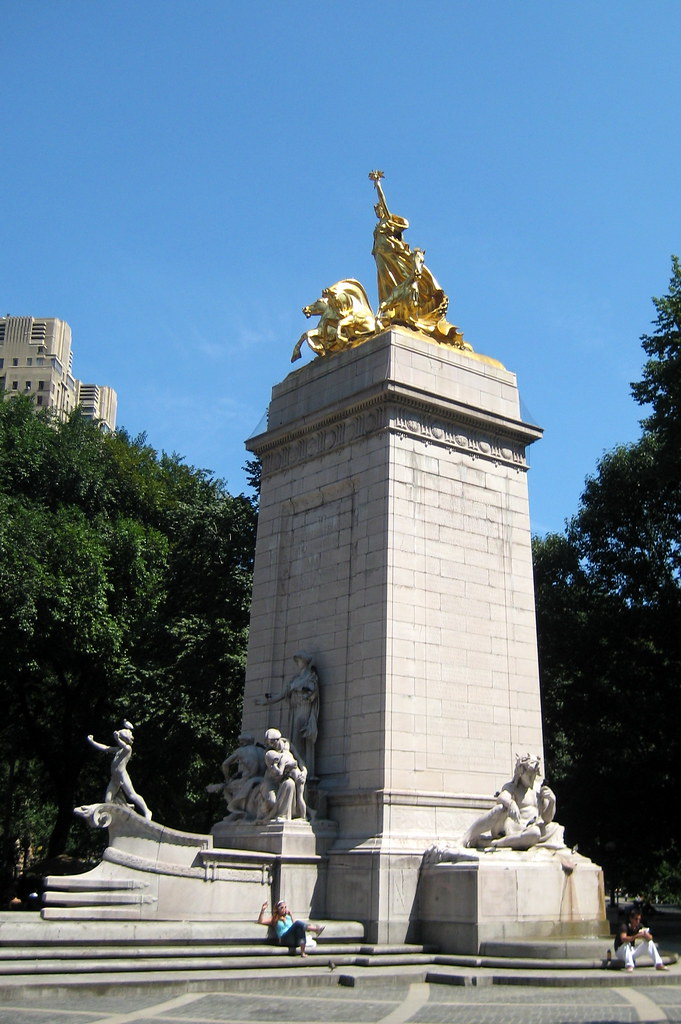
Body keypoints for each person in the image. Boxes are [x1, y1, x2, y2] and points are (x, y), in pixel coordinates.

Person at [256, 653, 319, 776]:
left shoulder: (310, 677)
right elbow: (283, 694)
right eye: (297, 661)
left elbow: (312, 692)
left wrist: (299, 689)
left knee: (299, 737)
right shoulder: (295, 679)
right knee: (294, 739)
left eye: (299, 660)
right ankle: (295, 767)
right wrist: (266, 702)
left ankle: (302, 769)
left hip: (304, 708)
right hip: (294, 709)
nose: (298, 663)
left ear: (305, 662)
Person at [86, 720, 152, 820]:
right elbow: (105, 748)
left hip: (122, 776)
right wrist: (92, 742)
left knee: (132, 795)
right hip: (114, 778)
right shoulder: (117, 750)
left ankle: (147, 811)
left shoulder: (128, 748)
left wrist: (117, 738)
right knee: (108, 800)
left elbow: (123, 745)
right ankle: (124, 807)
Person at [257, 899, 325, 957]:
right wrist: (263, 910)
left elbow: (295, 923)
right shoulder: (275, 918)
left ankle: (302, 952)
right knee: (298, 924)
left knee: (300, 928)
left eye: (285, 907)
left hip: (293, 941)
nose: (284, 909)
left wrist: (291, 914)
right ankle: (315, 929)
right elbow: (261, 921)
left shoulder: (288, 917)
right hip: (284, 939)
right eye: (281, 908)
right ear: (277, 909)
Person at [614, 908, 668, 972]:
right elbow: (623, 939)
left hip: (631, 950)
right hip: (620, 951)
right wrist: (636, 936)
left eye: (639, 919)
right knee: (626, 944)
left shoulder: (639, 926)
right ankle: (629, 965)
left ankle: (658, 964)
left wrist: (646, 935)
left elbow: (650, 938)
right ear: (631, 919)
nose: (637, 921)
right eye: (636, 919)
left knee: (649, 943)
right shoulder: (624, 926)